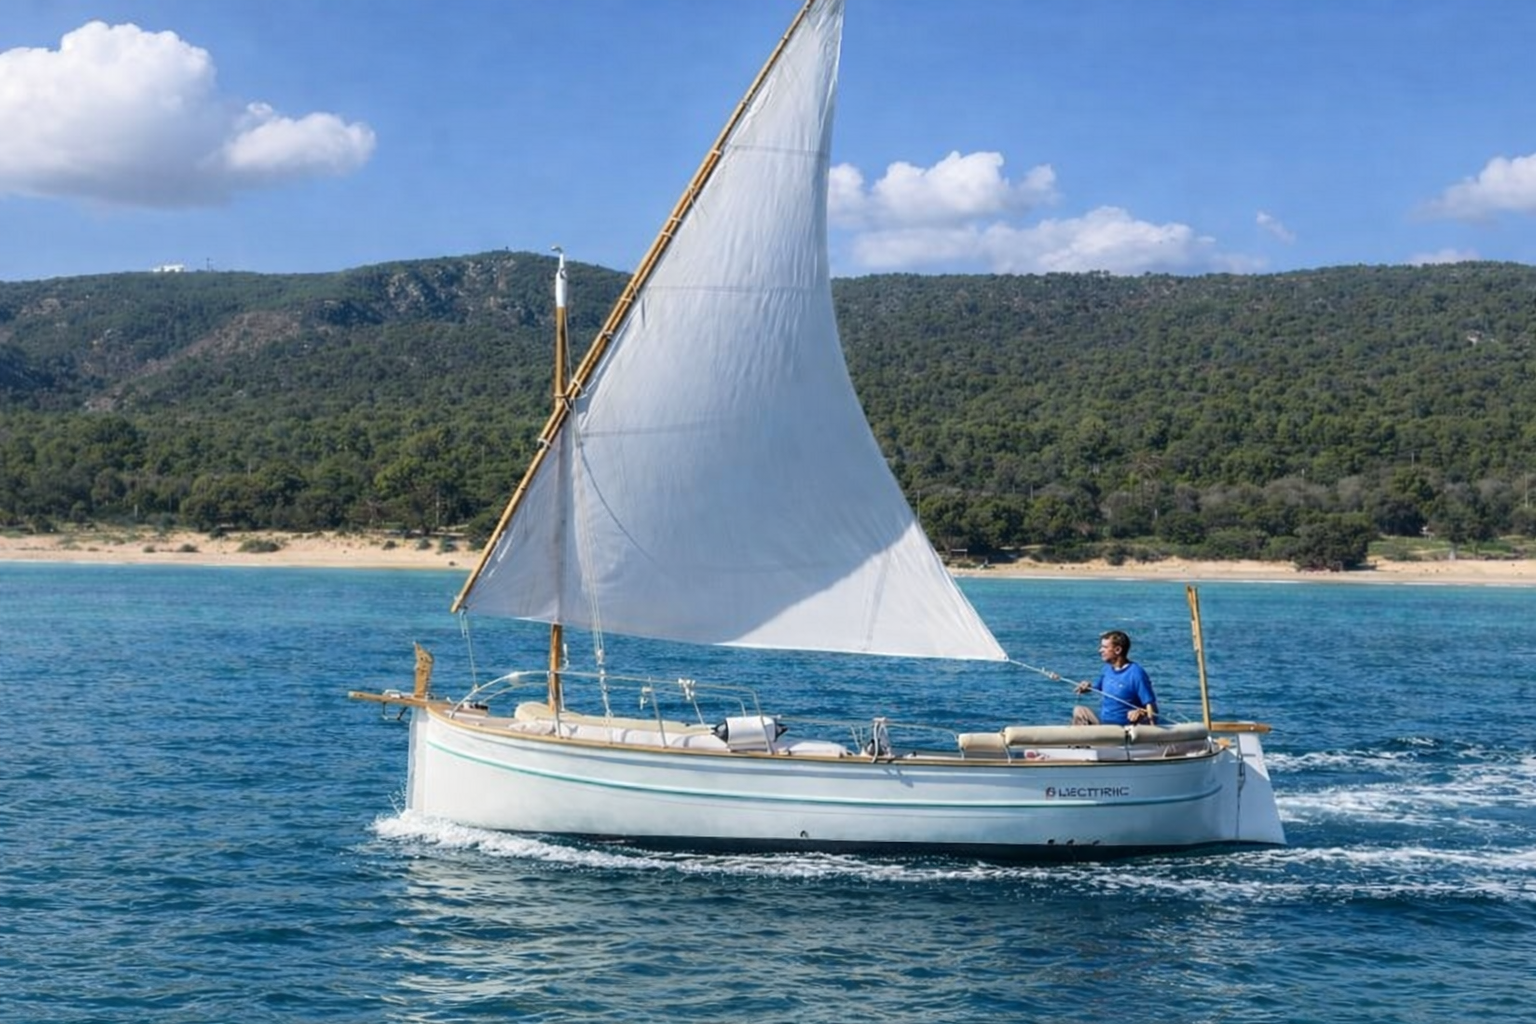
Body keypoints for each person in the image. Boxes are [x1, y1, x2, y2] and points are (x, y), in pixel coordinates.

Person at [1072, 630, 1158, 726]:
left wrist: (1141, 713)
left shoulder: (1136, 673)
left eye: (1104, 647)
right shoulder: (1107, 669)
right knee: (1079, 711)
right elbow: (1096, 687)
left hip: (1125, 729)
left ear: (1117, 650)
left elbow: (1153, 709)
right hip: (1105, 726)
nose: (1100, 651)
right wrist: (1087, 687)